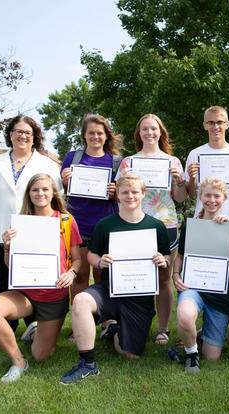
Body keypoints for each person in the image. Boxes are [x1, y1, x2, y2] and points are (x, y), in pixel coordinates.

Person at [59, 174, 170, 385]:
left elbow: (166, 256)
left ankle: (114, 331)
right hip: (109, 289)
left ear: (143, 194)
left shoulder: (156, 226)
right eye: (125, 192)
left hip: (139, 296)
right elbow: (91, 254)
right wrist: (100, 262)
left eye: (135, 192)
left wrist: (161, 260)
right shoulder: (105, 224)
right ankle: (88, 363)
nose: (130, 196)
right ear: (117, 195)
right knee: (81, 301)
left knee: (131, 354)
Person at [0, 173, 81, 383]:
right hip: (24, 294)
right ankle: (18, 361)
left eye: (45, 189)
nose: (40, 194)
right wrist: (7, 247)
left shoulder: (65, 220)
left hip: (53, 296)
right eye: (35, 190)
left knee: (41, 355)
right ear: (29, 194)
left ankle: (35, 330)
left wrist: (70, 274)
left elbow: (77, 261)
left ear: (53, 192)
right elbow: (10, 265)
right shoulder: (20, 222)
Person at [0, 115, 63, 333]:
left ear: (35, 138)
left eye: (28, 133)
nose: (23, 136)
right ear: (10, 134)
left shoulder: (46, 164)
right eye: (18, 131)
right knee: (2, 279)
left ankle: (33, 324)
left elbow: (57, 194)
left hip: (36, 233)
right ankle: (5, 326)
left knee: (33, 279)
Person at [185, 106, 229, 344]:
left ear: (227, 125)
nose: (216, 127)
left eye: (220, 122)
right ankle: (193, 328)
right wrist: (192, 178)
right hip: (203, 225)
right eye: (211, 122)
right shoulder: (195, 154)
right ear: (205, 125)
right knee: (198, 274)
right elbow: (189, 192)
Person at [117, 114, 187, 346]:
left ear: (160, 132)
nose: (149, 133)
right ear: (139, 133)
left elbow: (179, 198)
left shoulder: (173, 161)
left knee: (164, 278)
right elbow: (118, 196)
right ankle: (133, 323)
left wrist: (178, 181)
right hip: (134, 225)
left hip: (165, 224)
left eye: (153, 129)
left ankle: (164, 329)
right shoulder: (128, 163)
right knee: (133, 274)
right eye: (145, 129)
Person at [172, 177, 229, 373]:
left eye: (216, 196)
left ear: (224, 198)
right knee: (186, 315)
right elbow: (180, 256)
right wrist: (176, 274)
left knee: (212, 357)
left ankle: (203, 333)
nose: (211, 200)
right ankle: (191, 353)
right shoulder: (191, 226)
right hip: (193, 287)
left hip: (220, 294)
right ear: (199, 196)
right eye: (207, 195)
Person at [60, 114, 122, 302]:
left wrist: (115, 192)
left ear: (106, 136)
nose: (96, 137)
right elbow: (63, 192)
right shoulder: (72, 157)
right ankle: (80, 323)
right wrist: (64, 181)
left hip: (105, 226)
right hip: (78, 226)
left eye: (100, 133)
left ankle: (105, 322)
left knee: (102, 274)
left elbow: (126, 194)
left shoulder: (116, 161)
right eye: (91, 133)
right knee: (80, 275)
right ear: (84, 135)